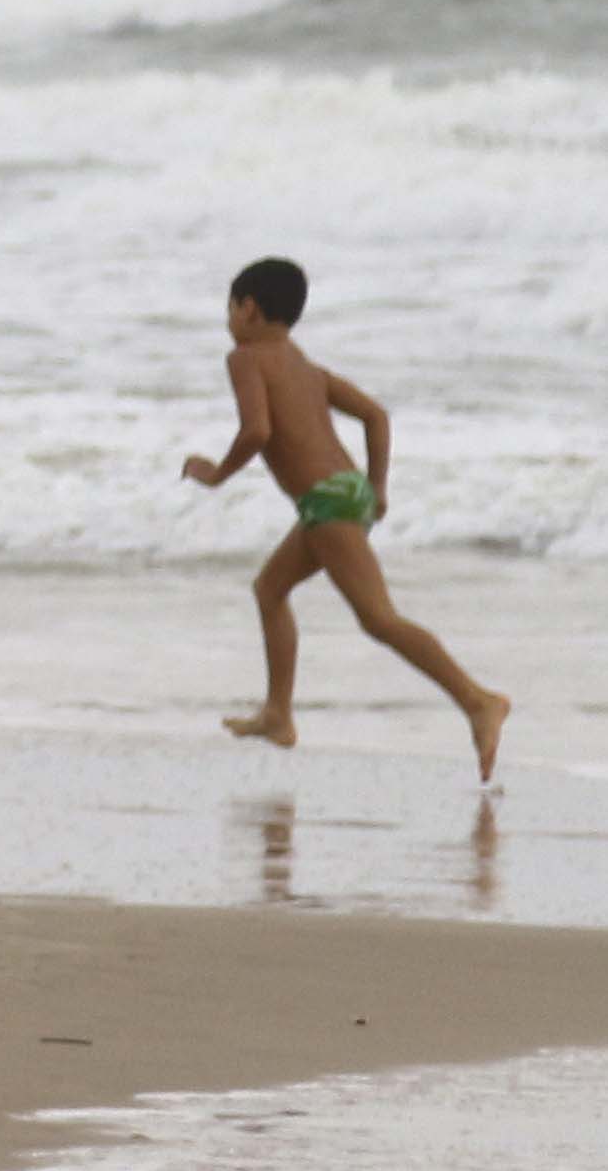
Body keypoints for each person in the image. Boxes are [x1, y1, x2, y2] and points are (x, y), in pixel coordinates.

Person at [187, 257, 507, 779]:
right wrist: (377, 488)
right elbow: (376, 416)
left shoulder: (245, 359)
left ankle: (478, 701)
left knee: (379, 618)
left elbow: (257, 431)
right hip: (347, 492)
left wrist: (217, 473)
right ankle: (277, 714)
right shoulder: (304, 366)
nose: (227, 320)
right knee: (269, 589)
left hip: (326, 502)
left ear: (248, 308)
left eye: (229, 308)